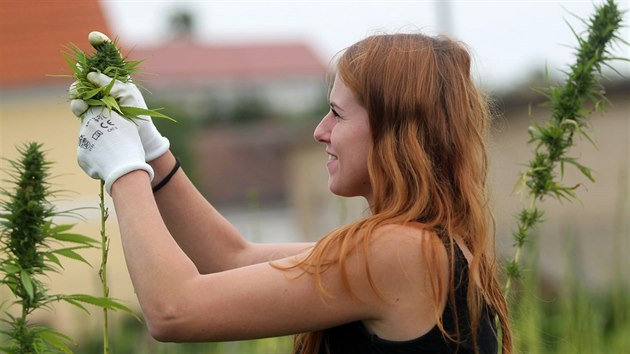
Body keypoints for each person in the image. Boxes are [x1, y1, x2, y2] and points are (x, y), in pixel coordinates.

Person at [70, 32, 512, 354]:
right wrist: (153, 150)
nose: (320, 130)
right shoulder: (417, 244)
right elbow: (231, 258)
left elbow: (173, 310)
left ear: (396, 134)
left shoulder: (399, 251)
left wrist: (124, 172)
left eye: (338, 113)